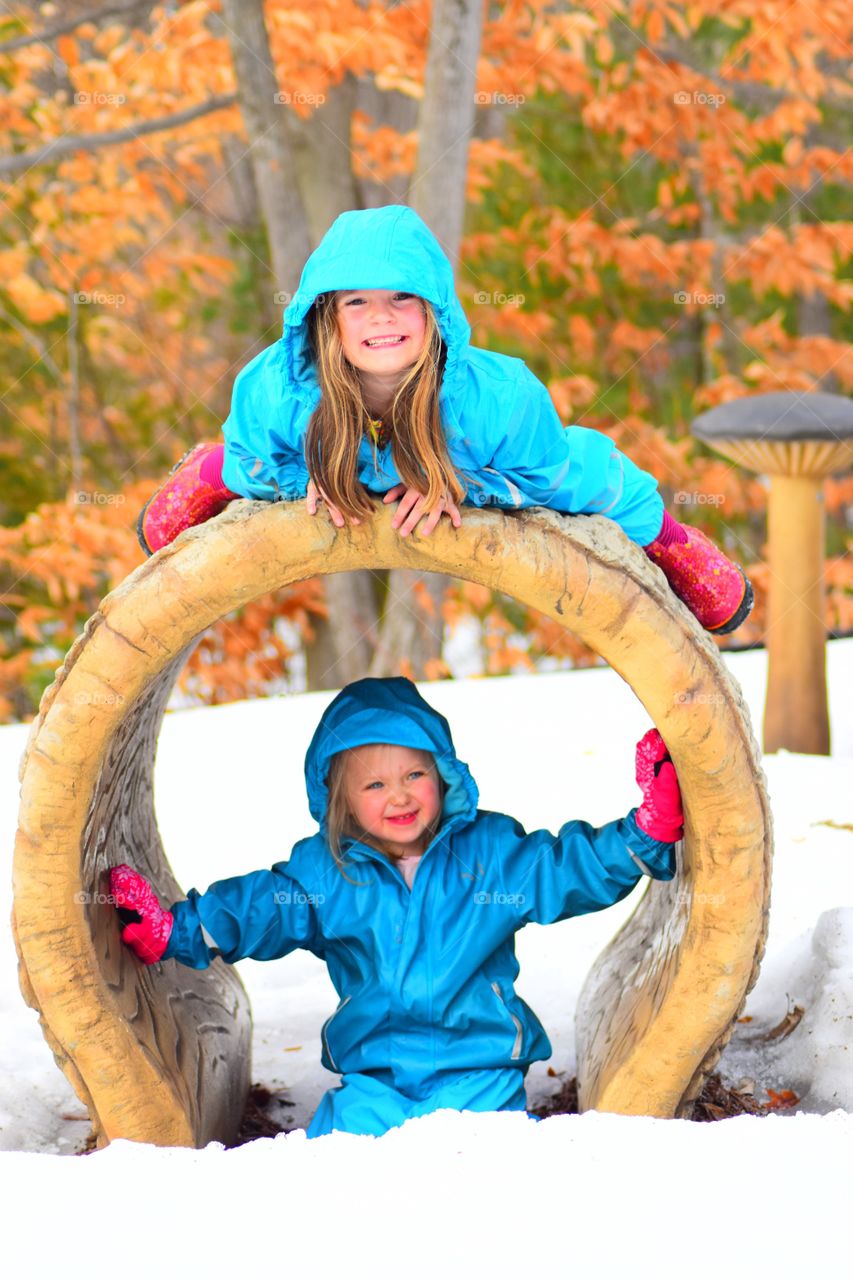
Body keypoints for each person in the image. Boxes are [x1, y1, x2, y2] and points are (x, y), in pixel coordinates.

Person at [109, 676, 684, 1139]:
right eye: (375, 785)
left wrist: (642, 835)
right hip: (375, 1075)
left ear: (444, 775)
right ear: (341, 799)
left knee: (486, 1158)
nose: (401, 795)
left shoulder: (490, 854)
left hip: (477, 1067)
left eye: (415, 774)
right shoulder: (326, 872)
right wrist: (178, 930)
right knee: (342, 1161)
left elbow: (564, 868)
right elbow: (262, 907)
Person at [136, 205, 752, 635]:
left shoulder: (498, 396)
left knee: (589, 479)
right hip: (312, 461)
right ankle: (204, 471)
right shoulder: (279, 387)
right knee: (247, 470)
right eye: (358, 302)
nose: (382, 316)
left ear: (434, 310)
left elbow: (544, 476)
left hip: (471, 462)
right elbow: (257, 449)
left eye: (402, 297)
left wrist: (466, 485)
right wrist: (304, 479)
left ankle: (667, 539)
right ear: (329, 318)